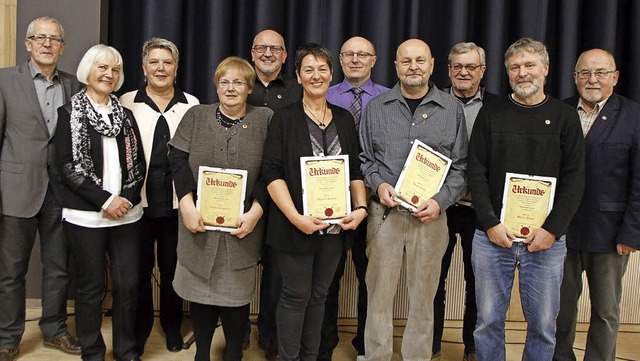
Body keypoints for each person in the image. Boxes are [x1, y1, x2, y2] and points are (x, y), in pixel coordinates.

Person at [467, 38, 585, 361]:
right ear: (507, 73)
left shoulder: (565, 117)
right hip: (493, 238)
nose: (522, 73)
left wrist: (553, 229)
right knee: (487, 321)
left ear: (545, 69)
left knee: (544, 325)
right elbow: (475, 173)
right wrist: (490, 223)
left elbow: (575, 179)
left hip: (546, 241)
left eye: (529, 65)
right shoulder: (490, 114)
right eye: (515, 67)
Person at [358, 38, 467, 361]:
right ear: (395, 66)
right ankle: (376, 356)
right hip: (384, 215)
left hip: (431, 217)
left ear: (432, 65)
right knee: (378, 294)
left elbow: (461, 167)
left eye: (420, 60)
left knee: (423, 297)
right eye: (406, 61)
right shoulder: (376, 108)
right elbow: (365, 159)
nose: (413, 67)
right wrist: (378, 186)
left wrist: (440, 201)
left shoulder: (451, 109)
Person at [262, 43, 367, 361]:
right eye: (309, 69)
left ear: (331, 74)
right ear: (298, 75)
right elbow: (271, 172)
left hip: (335, 229)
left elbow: (356, 170)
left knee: (320, 296)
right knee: (295, 295)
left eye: (322, 69)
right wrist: (296, 217)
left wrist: (361, 208)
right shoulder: (283, 119)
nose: (316, 75)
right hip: (295, 226)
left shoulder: (345, 120)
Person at [168, 56, 272, 361]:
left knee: (235, 298)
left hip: (242, 226)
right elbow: (176, 159)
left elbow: (272, 170)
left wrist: (256, 211)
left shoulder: (265, 118)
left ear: (250, 88)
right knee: (200, 296)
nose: (230, 88)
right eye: (224, 81)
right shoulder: (196, 116)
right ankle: (202, 353)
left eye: (238, 82)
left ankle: (233, 355)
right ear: (216, 85)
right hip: (198, 222)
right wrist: (186, 203)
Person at [55, 44, 146, 361]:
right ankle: (92, 352)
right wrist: (105, 200)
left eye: (115, 69)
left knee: (128, 286)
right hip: (85, 217)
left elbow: (138, 166)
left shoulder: (127, 116)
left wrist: (125, 200)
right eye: (102, 67)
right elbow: (66, 166)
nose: (109, 74)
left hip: (127, 216)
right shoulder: (68, 114)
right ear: (88, 71)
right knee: (90, 288)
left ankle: (126, 351)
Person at [0, 16, 81, 361]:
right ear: (28, 43)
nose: (47, 44)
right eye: (40, 38)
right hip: (16, 189)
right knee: (11, 272)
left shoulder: (74, 85)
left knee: (58, 268)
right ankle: (7, 338)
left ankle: (55, 330)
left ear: (62, 47)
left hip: (60, 192)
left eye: (54, 40)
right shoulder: (4, 80)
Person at [553, 49, 640, 361]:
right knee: (559, 310)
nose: (592, 79)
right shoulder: (558, 111)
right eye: (585, 73)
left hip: (610, 235)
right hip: (560, 231)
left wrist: (631, 234)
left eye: (600, 73)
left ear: (614, 77)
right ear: (575, 78)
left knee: (605, 312)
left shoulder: (633, 117)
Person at [120, 37, 199, 355]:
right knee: (137, 272)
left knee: (172, 270)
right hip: (135, 206)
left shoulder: (192, 105)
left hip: (177, 205)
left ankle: (171, 326)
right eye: (154, 62)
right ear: (143, 67)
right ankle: (138, 331)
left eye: (167, 62)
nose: (160, 68)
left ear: (176, 69)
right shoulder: (126, 101)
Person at [319, 35, 389, 360]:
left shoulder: (391, 100)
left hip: (375, 204)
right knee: (328, 278)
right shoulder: (323, 96)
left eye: (363, 54)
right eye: (348, 54)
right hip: (329, 203)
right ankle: (324, 346)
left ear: (374, 60)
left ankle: (365, 345)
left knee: (370, 279)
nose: (356, 60)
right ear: (340, 61)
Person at [432, 42, 499, 361]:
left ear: (482, 71)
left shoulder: (498, 107)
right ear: (448, 69)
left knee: (478, 284)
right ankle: (431, 345)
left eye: (471, 67)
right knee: (434, 280)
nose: (463, 72)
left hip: (480, 210)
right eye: (457, 66)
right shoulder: (433, 102)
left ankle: (471, 347)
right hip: (439, 207)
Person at [247, 28, 302, 360]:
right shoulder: (238, 83)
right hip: (241, 194)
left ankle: (271, 334)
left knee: (278, 270)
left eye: (275, 49)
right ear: (252, 53)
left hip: (283, 195)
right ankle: (238, 328)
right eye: (261, 48)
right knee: (236, 263)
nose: (268, 53)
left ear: (284, 56)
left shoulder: (297, 92)